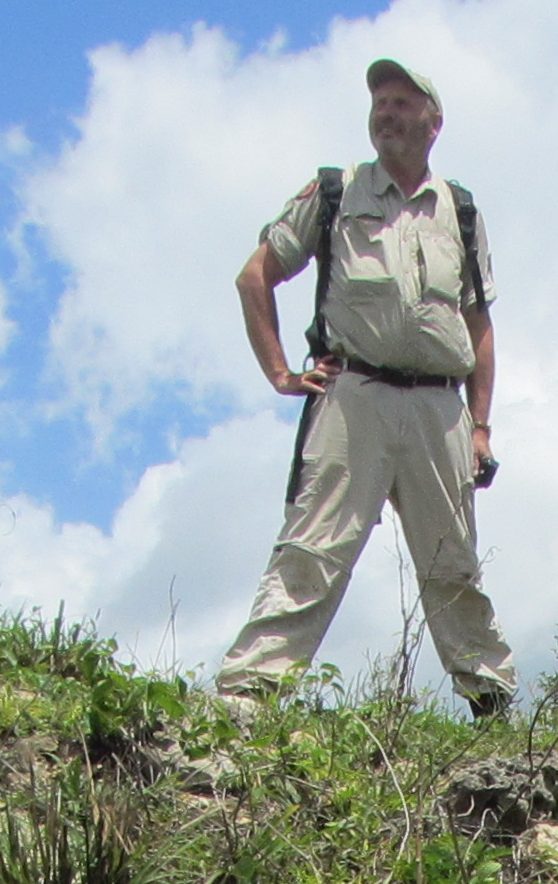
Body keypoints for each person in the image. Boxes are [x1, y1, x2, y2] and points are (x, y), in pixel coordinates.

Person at [214, 58, 515, 716]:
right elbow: (254, 277)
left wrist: (482, 427)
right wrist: (281, 374)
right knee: (315, 545)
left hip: (440, 408)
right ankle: (251, 690)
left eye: (403, 102)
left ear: (434, 123)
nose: (387, 112)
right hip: (354, 393)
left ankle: (490, 699)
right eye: (380, 100)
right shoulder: (335, 191)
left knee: (452, 562)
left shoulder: (458, 211)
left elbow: (478, 325)